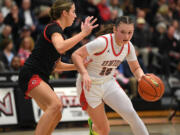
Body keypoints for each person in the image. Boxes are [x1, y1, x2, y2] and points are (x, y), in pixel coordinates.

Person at [18, 0, 98, 135]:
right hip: (31, 74)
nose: (75, 15)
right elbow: (61, 47)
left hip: (41, 76)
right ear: (64, 13)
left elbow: (57, 66)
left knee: (56, 114)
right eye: (73, 12)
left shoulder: (60, 34)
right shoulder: (53, 28)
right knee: (55, 106)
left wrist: (79, 66)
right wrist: (83, 34)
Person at [72, 16, 149, 135]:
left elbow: (136, 68)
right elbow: (76, 55)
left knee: (132, 115)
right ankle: (95, 127)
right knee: (104, 129)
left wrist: (141, 77)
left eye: (130, 32)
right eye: (123, 32)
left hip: (108, 82)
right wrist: (84, 73)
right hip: (89, 85)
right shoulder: (102, 42)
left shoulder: (129, 46)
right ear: (115, 30)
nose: (126, 36)